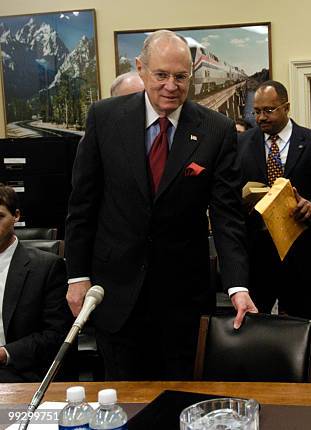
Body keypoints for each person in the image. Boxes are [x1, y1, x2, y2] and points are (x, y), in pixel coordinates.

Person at [64, 30, 256, 381]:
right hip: (116, 293)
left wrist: (237, 285)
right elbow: (82, 205)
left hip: (183, 297)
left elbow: (227, 216)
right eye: (161, 75)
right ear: (141, 69)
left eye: (181, 76)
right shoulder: (104, 118)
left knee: (182, 395)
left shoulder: (216, 129)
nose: (172, 85)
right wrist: (77, 276)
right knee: (124, 397)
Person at [237, 80, 311, 383]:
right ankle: (258, 381)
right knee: (253, 323)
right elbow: (230, 191)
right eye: (256, 112)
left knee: (310, 321)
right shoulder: (242, 144)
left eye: (269, 110)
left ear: (286, 106)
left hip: (301, 251)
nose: (261, 118)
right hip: (257, 253)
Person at [0, 184, 71, 382]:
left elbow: (56, 335)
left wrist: (5, 353)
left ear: (16, 216)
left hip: (17, 371)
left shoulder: (47, 268)